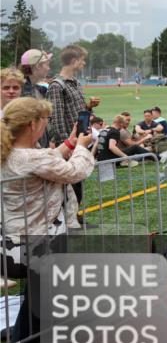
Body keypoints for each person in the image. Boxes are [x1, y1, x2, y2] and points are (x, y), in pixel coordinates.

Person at [1, 97, 94, 343]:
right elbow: (75, 172)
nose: (46, 125)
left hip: (16, 239)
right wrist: (80, 148)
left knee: (39, 292)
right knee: (41, 293)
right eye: (45, 120)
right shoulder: (31, 156)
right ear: (33, 124)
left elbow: (43, 162)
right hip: (38, 239)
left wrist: (68, 145)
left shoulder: (12, 153)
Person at [46, 44, 99, 215]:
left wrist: (89, 107)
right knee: (69, 189)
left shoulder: (75, 83)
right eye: (82, 60)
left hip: (80, 142)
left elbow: (79, 114)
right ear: (74, 61)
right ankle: (68, 223)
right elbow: (56, 119)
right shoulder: (56, 86)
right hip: (70, 145)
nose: (84, 63)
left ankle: (75, 219)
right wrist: (66, 145)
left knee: (78, 186)